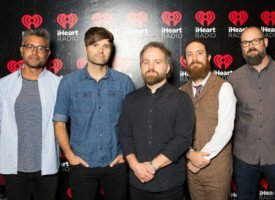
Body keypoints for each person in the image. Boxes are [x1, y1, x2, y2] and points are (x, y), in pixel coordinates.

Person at [53, 27, 133, 200]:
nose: (101, 50)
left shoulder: (124, 82)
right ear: (85, 48)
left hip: (116, 163)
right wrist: (70, 155)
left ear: (111, 50)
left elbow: (133, 123)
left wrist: (125, 154)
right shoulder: (68, 83)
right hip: (82, 164)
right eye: (95, 45)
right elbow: (59, 123)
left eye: (106, 45)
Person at [228, 26, 275, 200]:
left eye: (255, 41)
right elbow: (231, 118)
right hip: (244, 158)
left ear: (265, 42)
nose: (251, 46)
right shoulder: (233, 79)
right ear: (241, 47)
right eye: (245, 43)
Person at [118, 41, 195, 200]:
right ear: (141, 67)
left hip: (170, 185)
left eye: (157, 62)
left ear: (167, 68)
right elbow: (125, 135)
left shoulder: (181, 99)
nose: (150, 66)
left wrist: (152, 167)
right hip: (137, 183)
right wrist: (135, 166)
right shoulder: (130, 100)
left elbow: (182, 139)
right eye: (146, 62)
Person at [0, 28, 61, 200]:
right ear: (21, 49)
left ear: (48, 53)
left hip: (47, 168)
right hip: (14, 169)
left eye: (41, 48)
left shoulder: (59, 85)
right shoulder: (3, 86)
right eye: (29, 47)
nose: (34, 52)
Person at [180, 39, 236, 200]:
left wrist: (199, 159)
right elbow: (178, 130)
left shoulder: (224, 87)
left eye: (199, 53)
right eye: (190, 55)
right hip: (191, 167)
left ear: (209, 57)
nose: (195, 58)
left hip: (216, 168)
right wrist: (191, 155)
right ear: (185, 61)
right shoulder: (181, 91)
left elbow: (225, 131)